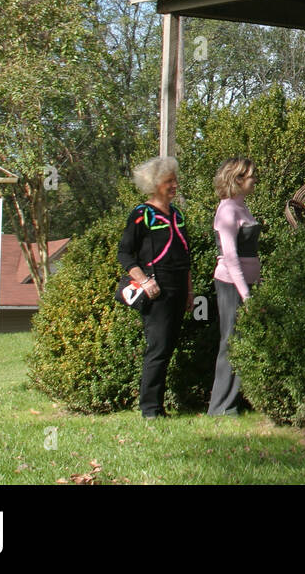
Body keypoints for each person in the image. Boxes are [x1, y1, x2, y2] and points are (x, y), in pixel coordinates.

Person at [118, 156, 192, 420]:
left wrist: (190, 291)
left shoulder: (178, 215)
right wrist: (146, 281)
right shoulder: (141, 215)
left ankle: (158, 406)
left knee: (169, 346)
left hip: (178, 287)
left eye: (175, 180)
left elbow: (186, 255)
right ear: (154, 184)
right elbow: (125, 254)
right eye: (168, 181)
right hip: (156, 288)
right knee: (158, 347)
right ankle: (150, 409)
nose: (174, 185)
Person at [207, 157, 261, 416]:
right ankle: (220, 407)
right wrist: (246, 294)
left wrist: (256, 283)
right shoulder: (227, 210)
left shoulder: (243, 207)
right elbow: (230, 257)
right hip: (231, 286)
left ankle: (235, 402)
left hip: (247, 285)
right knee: (230, 340)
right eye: (251, 176)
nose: (255, 180)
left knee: (242, 340)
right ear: (237, 179)